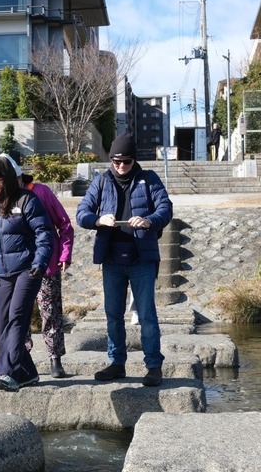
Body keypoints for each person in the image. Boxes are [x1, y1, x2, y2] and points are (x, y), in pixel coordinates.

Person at [76, 133, 173, 387]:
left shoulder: (149, 179)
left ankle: (154, 366)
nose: (121, 166)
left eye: (126, 162)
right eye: (116, 162)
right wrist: (98, 220)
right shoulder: (101, 181)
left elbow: (165, 208)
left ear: (134, 160)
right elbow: (82, 213)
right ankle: (117, 363)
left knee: (147, 315)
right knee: (113, 314)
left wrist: (149, 220)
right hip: (112, 260)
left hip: (142, 259)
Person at [0, 156, 53, 392]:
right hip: (1, 274)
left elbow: (44, 233)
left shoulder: (27, 200)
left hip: (27, 270)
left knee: (17, 318)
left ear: (9, 179)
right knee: (3, 323)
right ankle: (28, 373)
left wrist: (40, 263)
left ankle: (6, 374)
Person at [0, 153, 74, 378]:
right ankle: (22, 359)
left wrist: (65, 253)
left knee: (50, 312)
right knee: (18, 315)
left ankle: (55, 358)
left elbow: (64, 223)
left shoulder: (41, 192)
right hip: (15, 268)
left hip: (46, 265)